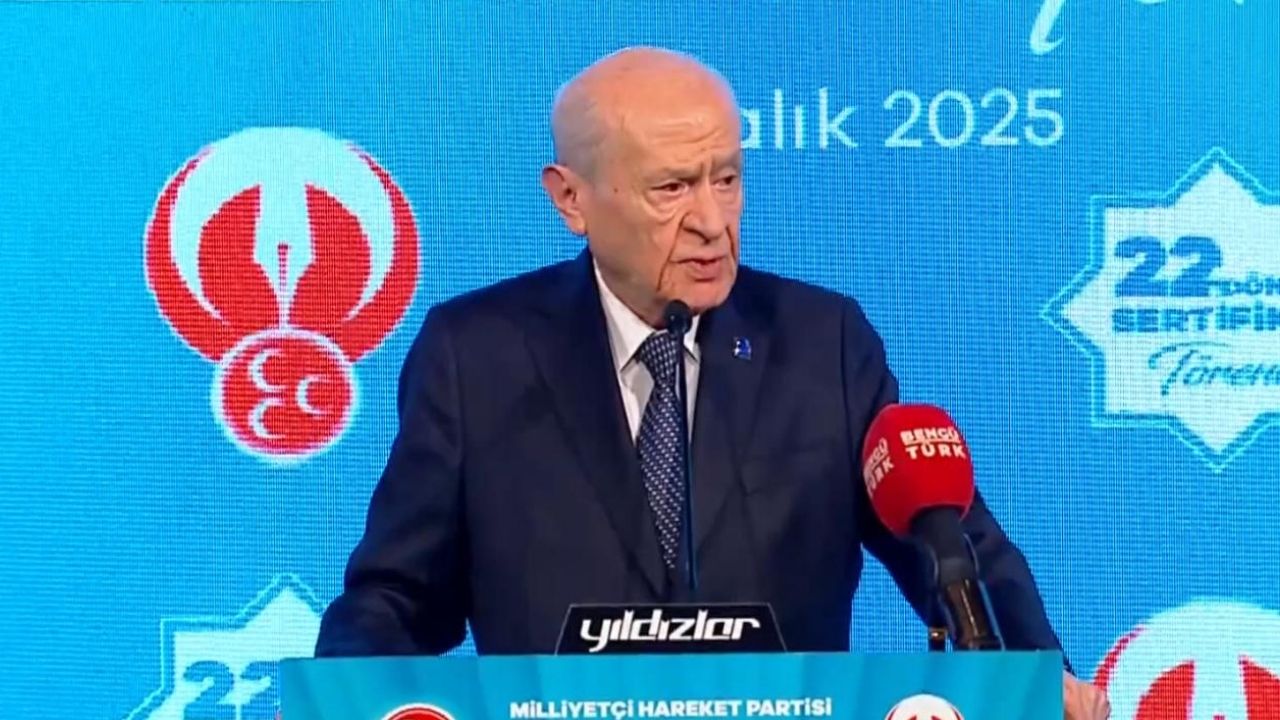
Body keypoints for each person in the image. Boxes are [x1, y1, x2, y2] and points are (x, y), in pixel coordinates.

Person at [315, 47, 1110, 719]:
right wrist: (344, 697)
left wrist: (1037, 680)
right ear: (571, 199)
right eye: (671, 188)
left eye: (725, 179)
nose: (710, 221)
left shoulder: (822, 344)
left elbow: (950, 546)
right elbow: (395, 601)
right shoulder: (477, 355)